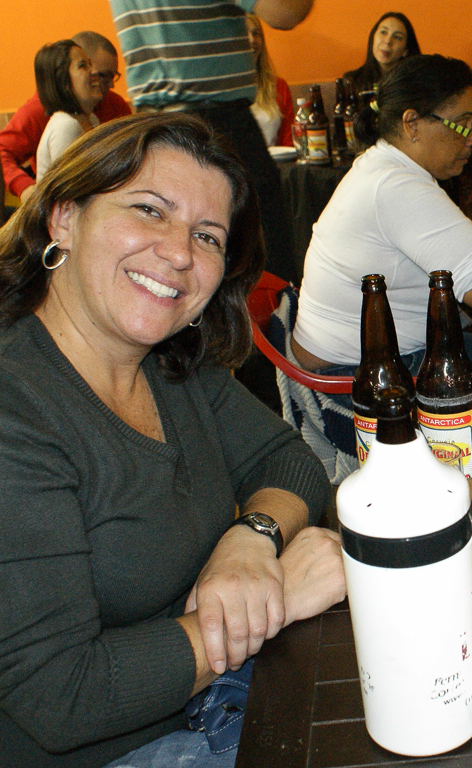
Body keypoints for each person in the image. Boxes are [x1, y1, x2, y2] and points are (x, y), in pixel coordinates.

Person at [0, 113, 346, 768]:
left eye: (207, 236)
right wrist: (273, 600)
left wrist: (251, 542)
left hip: (212, 700)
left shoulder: (168, 362)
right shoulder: (16, 409)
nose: (181, 253)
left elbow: (287, 460)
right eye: (150, 210)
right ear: (64, 217)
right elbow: (62, 695)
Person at [291, 55, 472, 458]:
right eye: (463, 124)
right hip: (359, 385)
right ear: (412, 124)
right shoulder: (397, 185)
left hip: (351, 362)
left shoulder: (384, 165)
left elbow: (450, 231)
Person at [108, 0, 311, 288]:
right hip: (216, 128)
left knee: (170, 272)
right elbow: (286, 11)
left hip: (150, 129)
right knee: (266, 280)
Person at [0, 31, 131, 202]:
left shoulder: (110, 107)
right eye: (103, 75)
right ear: (65, 80)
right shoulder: (56, 119)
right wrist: (25, 188)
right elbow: (71, 194)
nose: (110, 84)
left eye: (113, 76)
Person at [33, 40, 104, 183]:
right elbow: (70, 189)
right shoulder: (65, 126)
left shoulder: (91, 119)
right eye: (83, 66)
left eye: (90, 64)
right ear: (64, 82)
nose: (94, 71)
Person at [343, 12, 421, 97]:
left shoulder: (417, 83)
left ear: (406, 50)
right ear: (373, 37)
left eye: (397, 37)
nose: (388, 41)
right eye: (383, 32)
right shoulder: (352, 81)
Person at [247, 14, 295, 147]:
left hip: (274, 159)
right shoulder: (222, 90)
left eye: (256, 34)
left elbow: (288, 140)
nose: (252, 40)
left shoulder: (278, 86)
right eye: (244, 34)